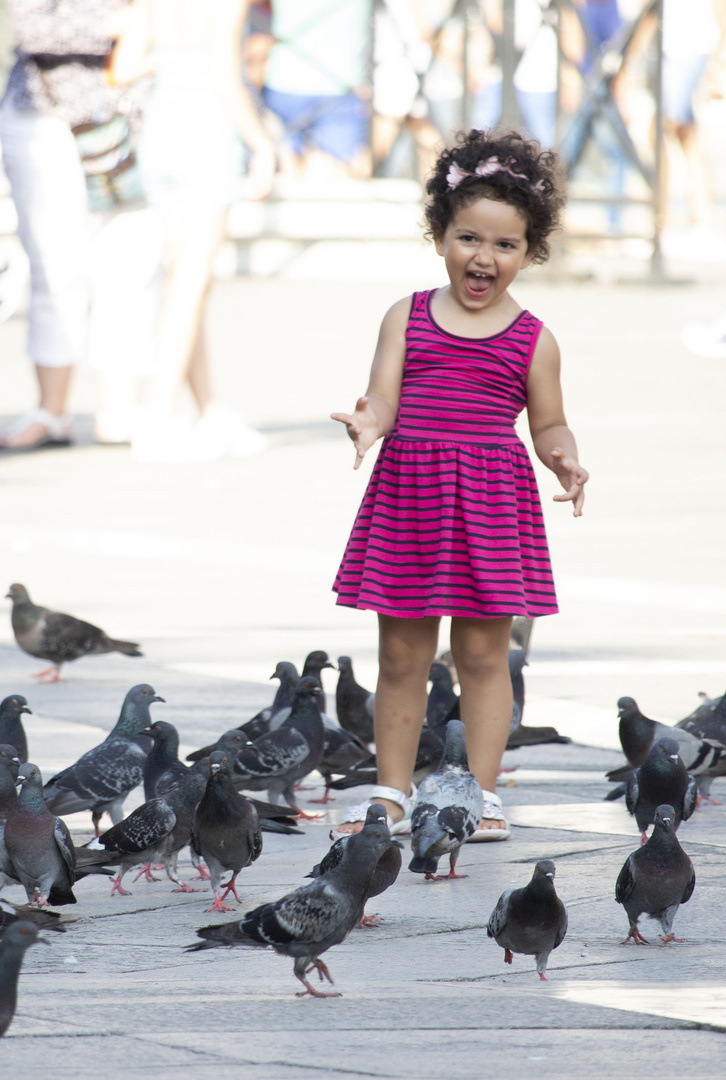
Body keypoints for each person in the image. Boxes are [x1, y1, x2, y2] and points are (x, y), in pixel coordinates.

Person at [330, 130, 589, 840]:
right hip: (410, 499)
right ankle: (390, 789)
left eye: (505, 246)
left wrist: (564, 458)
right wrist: (368, 422)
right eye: (467, 238)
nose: (484, 257)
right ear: (439, 235)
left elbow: (550, 423)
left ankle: (477, 794)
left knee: (483, 655)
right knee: (400, 656)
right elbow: (381, 396)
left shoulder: (534, 338)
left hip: (491, 506)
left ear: (530, 252)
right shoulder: (405, 317)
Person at [121, 0, 276, 461]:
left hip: (161, 136)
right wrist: (262, 145)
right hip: (206, 137)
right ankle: (157, 417)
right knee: (188, 288)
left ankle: (210, 412)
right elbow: (226, 80)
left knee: (185, 285)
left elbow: (126, 65)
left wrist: (172, 60)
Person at [0, 0, 156, 451]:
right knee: (55, 263)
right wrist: (114, 23)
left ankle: (120, 409)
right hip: (45, 113)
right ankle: (51, 410)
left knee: (133, 260)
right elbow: (32, 29)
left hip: (131, 114)